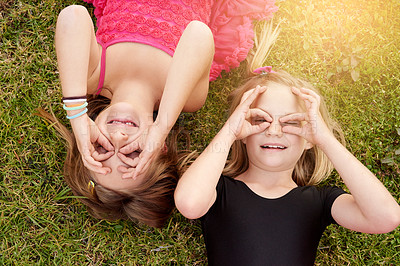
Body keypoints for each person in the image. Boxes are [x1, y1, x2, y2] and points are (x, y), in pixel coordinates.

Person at [174, 29, 400, 263]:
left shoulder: (318, 201)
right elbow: (189, 204)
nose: (274, 130)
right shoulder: (219, 191)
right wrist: (229, 132)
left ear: (309, 140)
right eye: (261, 119)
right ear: (243, 131)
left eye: (291, 122)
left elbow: (386, 218)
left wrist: (325, 140)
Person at [49, 0, 278, 228]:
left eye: (102, 147)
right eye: (133, 153)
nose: (118, 138)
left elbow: (73, 16)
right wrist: (161, 126)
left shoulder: (92, 78)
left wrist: (77, 115)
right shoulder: (186, 98)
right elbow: (198, 34)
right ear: (160, 147)